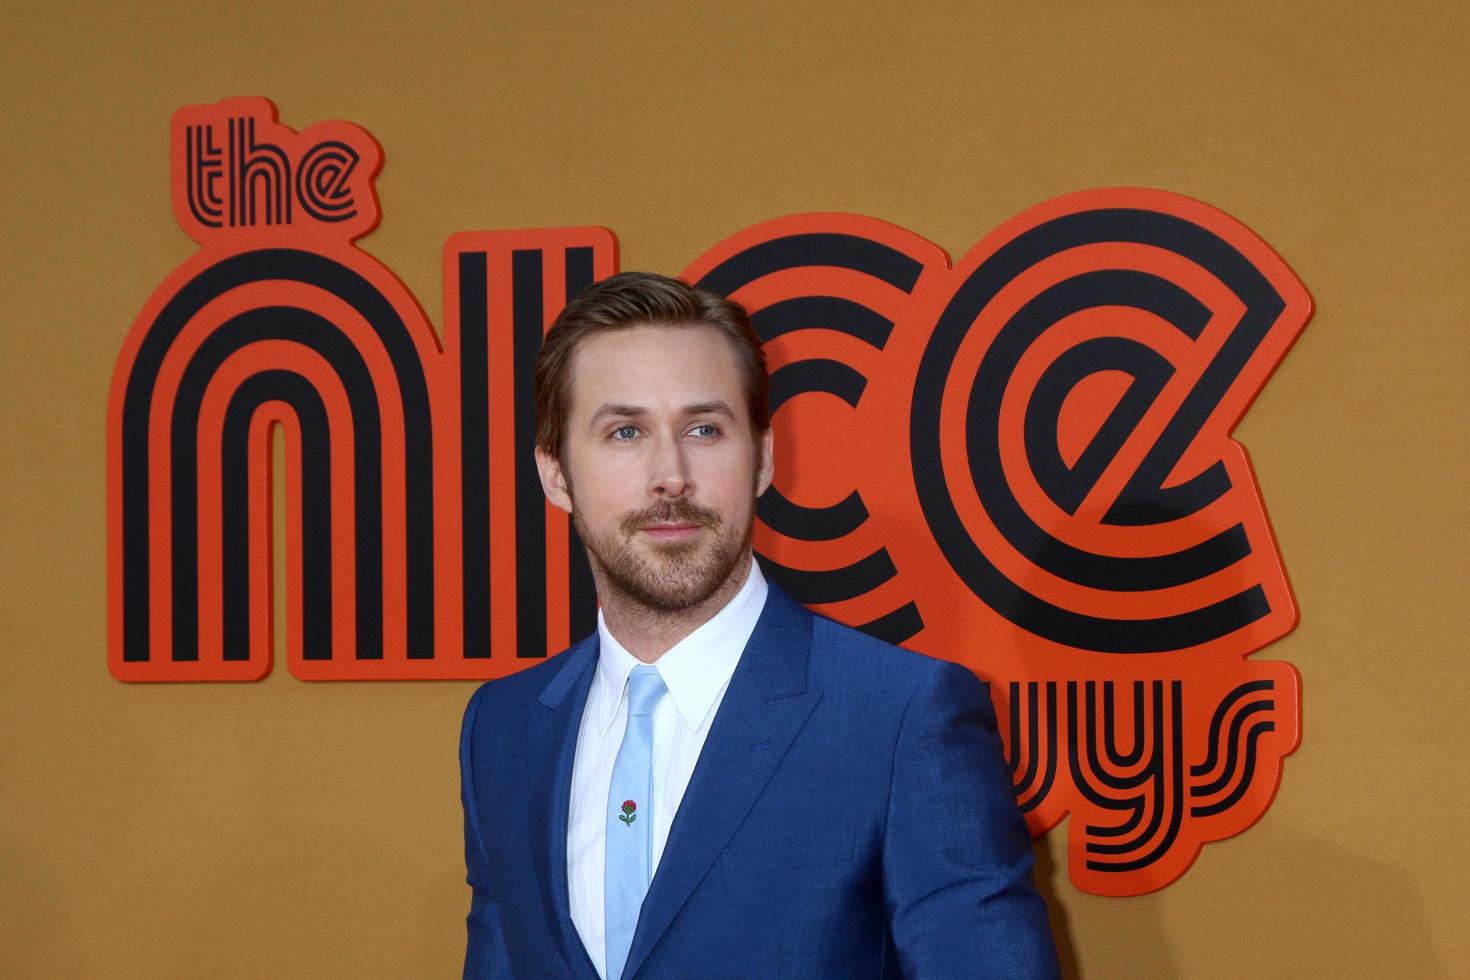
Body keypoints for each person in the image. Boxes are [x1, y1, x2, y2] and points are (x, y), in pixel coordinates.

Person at [458, 272, 1060, 979]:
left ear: (764, 459)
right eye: (625, 432)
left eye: (704, 429)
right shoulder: (502, 727)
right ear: (556, 475)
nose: (670, 476)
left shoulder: (900, 717)